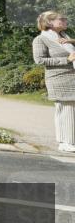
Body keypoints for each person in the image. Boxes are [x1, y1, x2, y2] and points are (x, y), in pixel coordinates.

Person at [32, 11, 75, 153]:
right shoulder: (41, 39)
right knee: (67, 109)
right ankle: (68, 142)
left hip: (71, 77)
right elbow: (39, 60)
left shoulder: (64, 37)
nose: (65, 20)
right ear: (50, 23)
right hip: (59, 78)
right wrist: (66, 60)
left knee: (64, 110)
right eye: (61, 19)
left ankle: (64, 142)